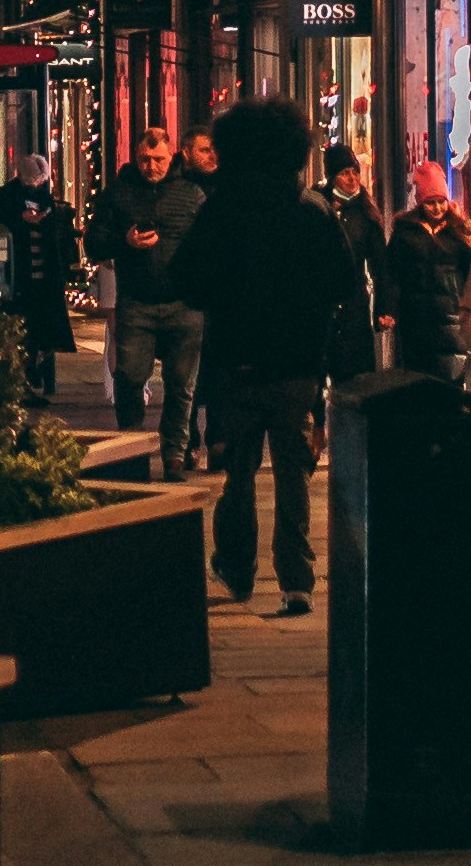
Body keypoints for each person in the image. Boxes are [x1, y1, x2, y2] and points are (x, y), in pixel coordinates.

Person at [154, 96, 368, 612]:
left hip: (237, 360)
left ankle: (237, 566)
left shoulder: (222, 211)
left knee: (240, 470)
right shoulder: (313, 210)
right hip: (298, 362)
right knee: (294, 471)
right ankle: (296, 577)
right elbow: (345, 280)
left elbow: (184, 278)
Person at [94, 125, 211, 460]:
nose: (152, 166)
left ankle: (174, 453)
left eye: (159, 159)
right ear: (136, 156)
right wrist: (125, 241)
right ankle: (130, 448)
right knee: (130, 376)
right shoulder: (120, 192)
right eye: (145, 159)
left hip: (183, 303)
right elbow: (94, 241)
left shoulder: (190, 193)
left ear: (170, 155)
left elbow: (211, 242)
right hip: (137, 302)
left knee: (181, 385)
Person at [0, 159, 81, 405]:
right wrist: (21, 221)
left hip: (41, 279)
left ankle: (30, 375)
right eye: (33, 181)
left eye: (39, 181)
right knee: (23, 331)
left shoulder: (43, 199)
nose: (36, 185)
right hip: (17, 279)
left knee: (36, 332)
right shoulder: (4, 198)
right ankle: (23, 380)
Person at [378, 177, 471, 383]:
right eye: (431, 202)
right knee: (419, 380)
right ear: (420, 202)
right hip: (416, 319)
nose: (437, 208)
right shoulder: (405, 233)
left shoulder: (458, 233)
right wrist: (387, 309)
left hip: (452, 318)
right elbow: (391, 274)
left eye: (441, 201)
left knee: (452, 378)